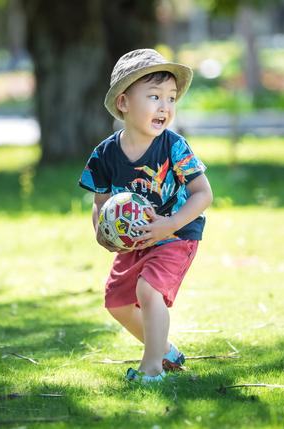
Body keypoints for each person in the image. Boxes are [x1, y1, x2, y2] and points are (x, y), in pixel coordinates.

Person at [78, 48, 213, 383]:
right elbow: (101, 202)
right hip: (133, 239)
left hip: (176, 233)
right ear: (123, 103)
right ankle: (165, 349)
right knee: (116, 302)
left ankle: (151, 368)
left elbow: (203, 194)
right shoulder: (105, 154)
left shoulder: (174, 147)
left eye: (170, 98)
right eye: (154, 96)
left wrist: (170, 223)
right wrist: (102, 233)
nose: (165, 106)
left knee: (148, 291)